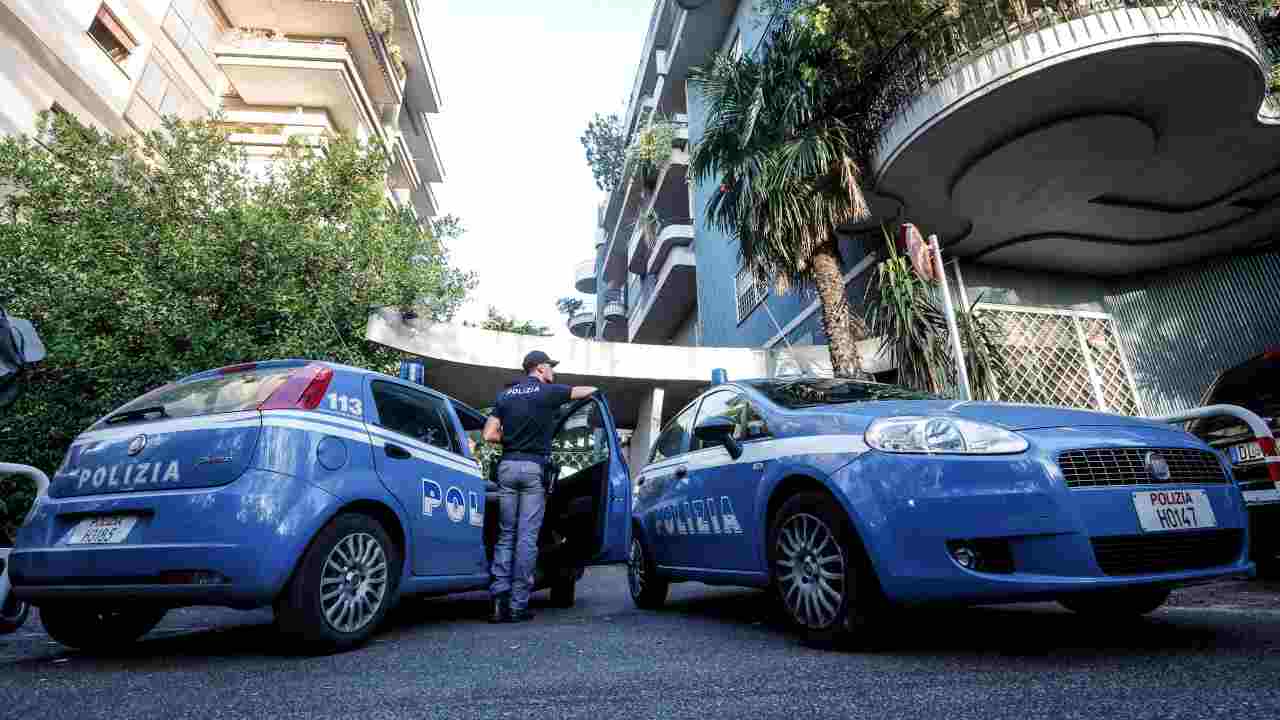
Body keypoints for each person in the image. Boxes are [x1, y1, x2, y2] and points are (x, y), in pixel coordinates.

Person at [482, 350, 597, 623]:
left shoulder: (505, 396)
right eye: (551, 368)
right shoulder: (549, 392)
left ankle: (498, 603)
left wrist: (512, 439)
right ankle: (518, 605)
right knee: (526, 538)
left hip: (507, 468)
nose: (553, 372)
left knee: (506, 535)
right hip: (533, 469)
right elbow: (591, 390)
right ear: (541, 368)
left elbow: (488, 434)